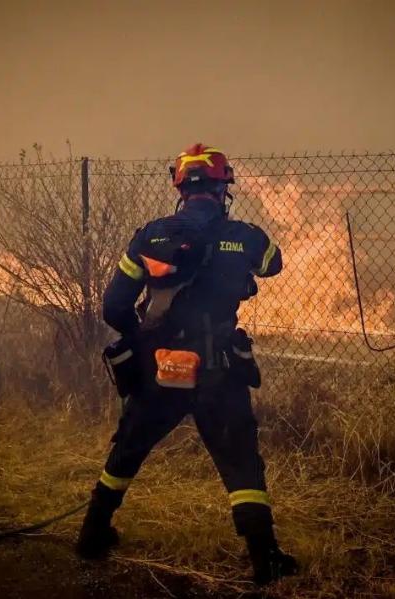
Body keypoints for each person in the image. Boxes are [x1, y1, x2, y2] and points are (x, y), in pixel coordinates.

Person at [76, 143, 298, 585]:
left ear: (179, 186)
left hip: (159, 369)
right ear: (223, 188)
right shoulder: (248, 237)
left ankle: (91, 536)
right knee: (241, 464)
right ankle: (265, 559)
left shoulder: (150, 237)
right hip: (218, 371)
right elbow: (274, 265)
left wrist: (142, 342)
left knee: (129, 448)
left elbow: (114, 306)